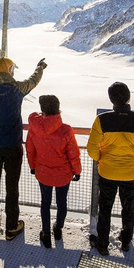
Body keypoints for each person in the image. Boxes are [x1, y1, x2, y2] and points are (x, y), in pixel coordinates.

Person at [0, 56, 47, 241]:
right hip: (13, 146)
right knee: (12, 188)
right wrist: (40, 67)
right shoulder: (17, 88)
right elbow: (34, 81)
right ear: (9, 70)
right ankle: (12, 228)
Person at [87, 82, 134, 255]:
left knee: (105, 208)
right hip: (130, 173)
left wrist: (102, 158)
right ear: (128, 97)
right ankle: (126, 241)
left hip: (107, 172)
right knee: (128, 208)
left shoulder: (102, 120)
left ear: (111, 99)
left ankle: (102, 244)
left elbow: (91, 149)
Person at [26, 95, 81, 249]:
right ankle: (58, 229)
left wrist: (33, 166)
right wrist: (77, 171)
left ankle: (45, 233)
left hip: (43, 172)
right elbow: (73, 154)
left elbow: (30, 149)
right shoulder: (66, 130)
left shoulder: (34, 127)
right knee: (61, 202)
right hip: (63, 174)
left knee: (45, 203)